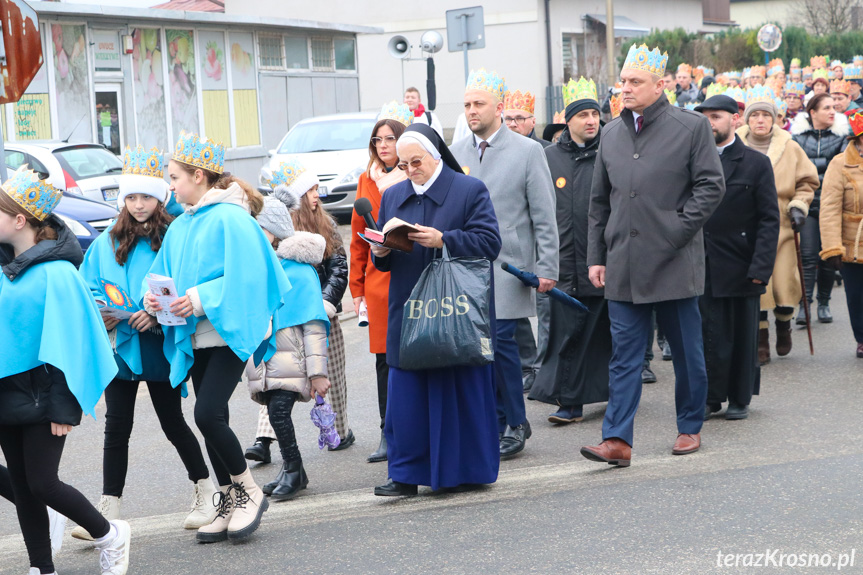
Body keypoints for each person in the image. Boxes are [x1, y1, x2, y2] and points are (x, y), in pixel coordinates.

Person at [581, 43, 725, 467]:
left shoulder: (690, 127)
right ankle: (617, 440)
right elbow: (599, 203)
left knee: (686, 352)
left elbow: (710, 186)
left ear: (659, 85)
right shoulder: (610, 132)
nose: (625, 88)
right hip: (623, 262)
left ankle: (689, 426)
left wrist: (675, 231)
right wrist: (597, 257)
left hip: (674, 261)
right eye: (623, 81)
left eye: (634, 82)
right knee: (624, 355)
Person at [144, 131, 292, 543]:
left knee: (206, 414)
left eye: (174, 177)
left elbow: (250, 276)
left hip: (229, 331)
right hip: (197, 335)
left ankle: (248, 489)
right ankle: (227, 499)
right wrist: (153, 297)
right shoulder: (182, 224)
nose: (170, 185)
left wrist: (200, 297)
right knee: (215, 420)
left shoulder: (232, 217)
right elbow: (161, 270)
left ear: (197, 175)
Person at [74, 147, 217, 540]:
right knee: (116, 427)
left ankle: (207, 491)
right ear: (122, 199)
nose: (139, 205)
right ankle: (107, 511)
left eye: (147, 196)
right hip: (120, 346)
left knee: (173, 422)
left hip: (158, 345)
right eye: (132, 197)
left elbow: (185, 287)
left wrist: (154, 314)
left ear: (161, 198)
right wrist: (100, 311)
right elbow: (87, 286)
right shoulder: (106, 240)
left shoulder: (173, 236)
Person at [0, 169, 131, 575]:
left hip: (43, 394)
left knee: (42, 483)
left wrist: (63, 406)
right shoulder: (3, 269)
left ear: (19, 220)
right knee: (23, 487)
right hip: (5, 392)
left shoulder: (58, 273)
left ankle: (109, 535)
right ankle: (43, 566)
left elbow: (71, 344)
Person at [370, 123, 502, 496]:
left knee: (457, 389)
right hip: (409, 307)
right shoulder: (394, 195)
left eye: (417, 162)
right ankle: (406, 475)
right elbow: (385, 259)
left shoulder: (468, 189)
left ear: (437, 156)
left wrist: (445, 239)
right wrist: (381, 251)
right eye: (404, 164)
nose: (410, 170)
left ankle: (466, 471)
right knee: (408, 397)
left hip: (456, 309)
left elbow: (490, 242)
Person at [451, 69, 559, 459]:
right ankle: (496, 422)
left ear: (499, 107)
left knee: (503, 345)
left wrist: (547, 266)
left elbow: (544, 215)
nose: (471, 111)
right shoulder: (457, 150)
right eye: (466, 105)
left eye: (478, 104)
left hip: (507, 264)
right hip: (465, 265)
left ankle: (515, 421)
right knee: (479, 349)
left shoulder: (527, 151)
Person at [528, 78, 610, 424]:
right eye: (583, 115)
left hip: (603, 260)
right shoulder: (548, 158)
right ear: (568, 120)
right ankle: (569, 400)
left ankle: (611, 392)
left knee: (604, 333)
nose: (591, 120)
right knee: (567, 333)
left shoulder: (611, 151)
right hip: (561, 261)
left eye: (595, 114)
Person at [694, 95, 780, 421]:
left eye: (716, 117)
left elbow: (769, 219)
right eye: (704, 117)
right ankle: (709, 396)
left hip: (741, 263)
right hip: (701, 262)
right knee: (706, 334)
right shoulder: (693, 160)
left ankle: (740, 396)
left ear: (735, 119)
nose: (709, 123)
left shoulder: (755, 163)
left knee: (742, 335)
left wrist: (761, 266)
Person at [245, 193, 331, 501]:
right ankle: (294, 472)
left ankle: (294, 469)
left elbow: (314, 325)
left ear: (275, 232)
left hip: (292, 360)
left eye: (260, 228)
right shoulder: (259, 267)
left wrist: (318, 373)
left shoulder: (299, 271)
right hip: (266, 361)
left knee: (279, 413)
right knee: (274, 411)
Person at [736, 89, 818, 364]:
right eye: (755, 115)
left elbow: (807, 182)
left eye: (766, 115)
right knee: (759, 285)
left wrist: (798, 206)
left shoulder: (791, 147)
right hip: (746, 225)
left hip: (782, 225)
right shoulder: (736, 146)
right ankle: (761, 339)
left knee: (783, 284)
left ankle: (784, 325)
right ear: (747, 119)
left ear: (776, 119)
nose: (760, 120)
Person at [349, 102, 410, 463]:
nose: (383, 145)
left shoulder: (414, 174)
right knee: (384, 361)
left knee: (416, 355)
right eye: (378, 139)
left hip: (412, 275)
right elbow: (357, 240)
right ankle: (388, 432)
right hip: (378, 282)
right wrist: (356, 290)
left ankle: (414, 428)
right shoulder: (365, 180)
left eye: (390, 138)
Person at [284, 159, 353, 451]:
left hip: (324, 313)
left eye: (316, 188)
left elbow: (339, 268)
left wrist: (326, 302)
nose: (317, 194)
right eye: (310, 190)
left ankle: (339, 430)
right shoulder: (282, 227)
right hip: (289, 315)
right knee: (279, 375)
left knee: (332, 372)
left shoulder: (328, 226)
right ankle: (266, 437)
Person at [504, 86, 553, 392]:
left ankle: (543, 367)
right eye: (507, 117)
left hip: (539, 242)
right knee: (515, 310)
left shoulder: (544, 151)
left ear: (532, 122)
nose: (512, 124)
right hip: (513, 244)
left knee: (546, 309)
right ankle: (528, 363)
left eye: (519, 118)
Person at [791, 93, 849, 324]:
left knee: (828, 256)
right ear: (812, 112)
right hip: (806, 203)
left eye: (834, 107)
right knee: (806, 255)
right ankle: (805, 304)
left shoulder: (843, 138)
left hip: (832, 205)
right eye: (826, 107)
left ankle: (824, 303)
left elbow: (840, 170)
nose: (832, 111)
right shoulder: (795, 139)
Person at [820, 109, 863, 358]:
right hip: (852, 244)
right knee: (857, 296)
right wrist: (832, 247)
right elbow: (829, 208)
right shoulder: (839, 163)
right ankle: (861, 337)